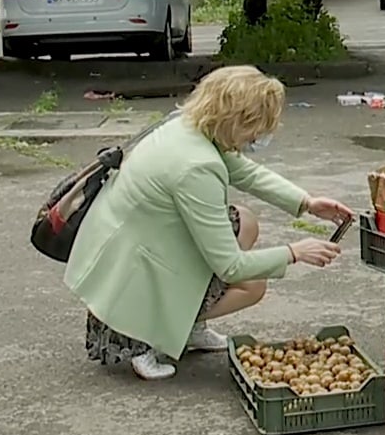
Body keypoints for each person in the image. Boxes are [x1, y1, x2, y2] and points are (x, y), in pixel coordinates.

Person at [65, 65, 350, 381]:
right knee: (253, 285)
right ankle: (150, 338)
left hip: (129, 247)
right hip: (135, 275)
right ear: (235, 120)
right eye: (256, 128)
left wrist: (307, 202)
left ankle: (189, 327)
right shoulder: (197, 166)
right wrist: (295, 252)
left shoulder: (189, 128)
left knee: (246, 222)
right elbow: (230, 266)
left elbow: (246, 173)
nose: (258, 137)